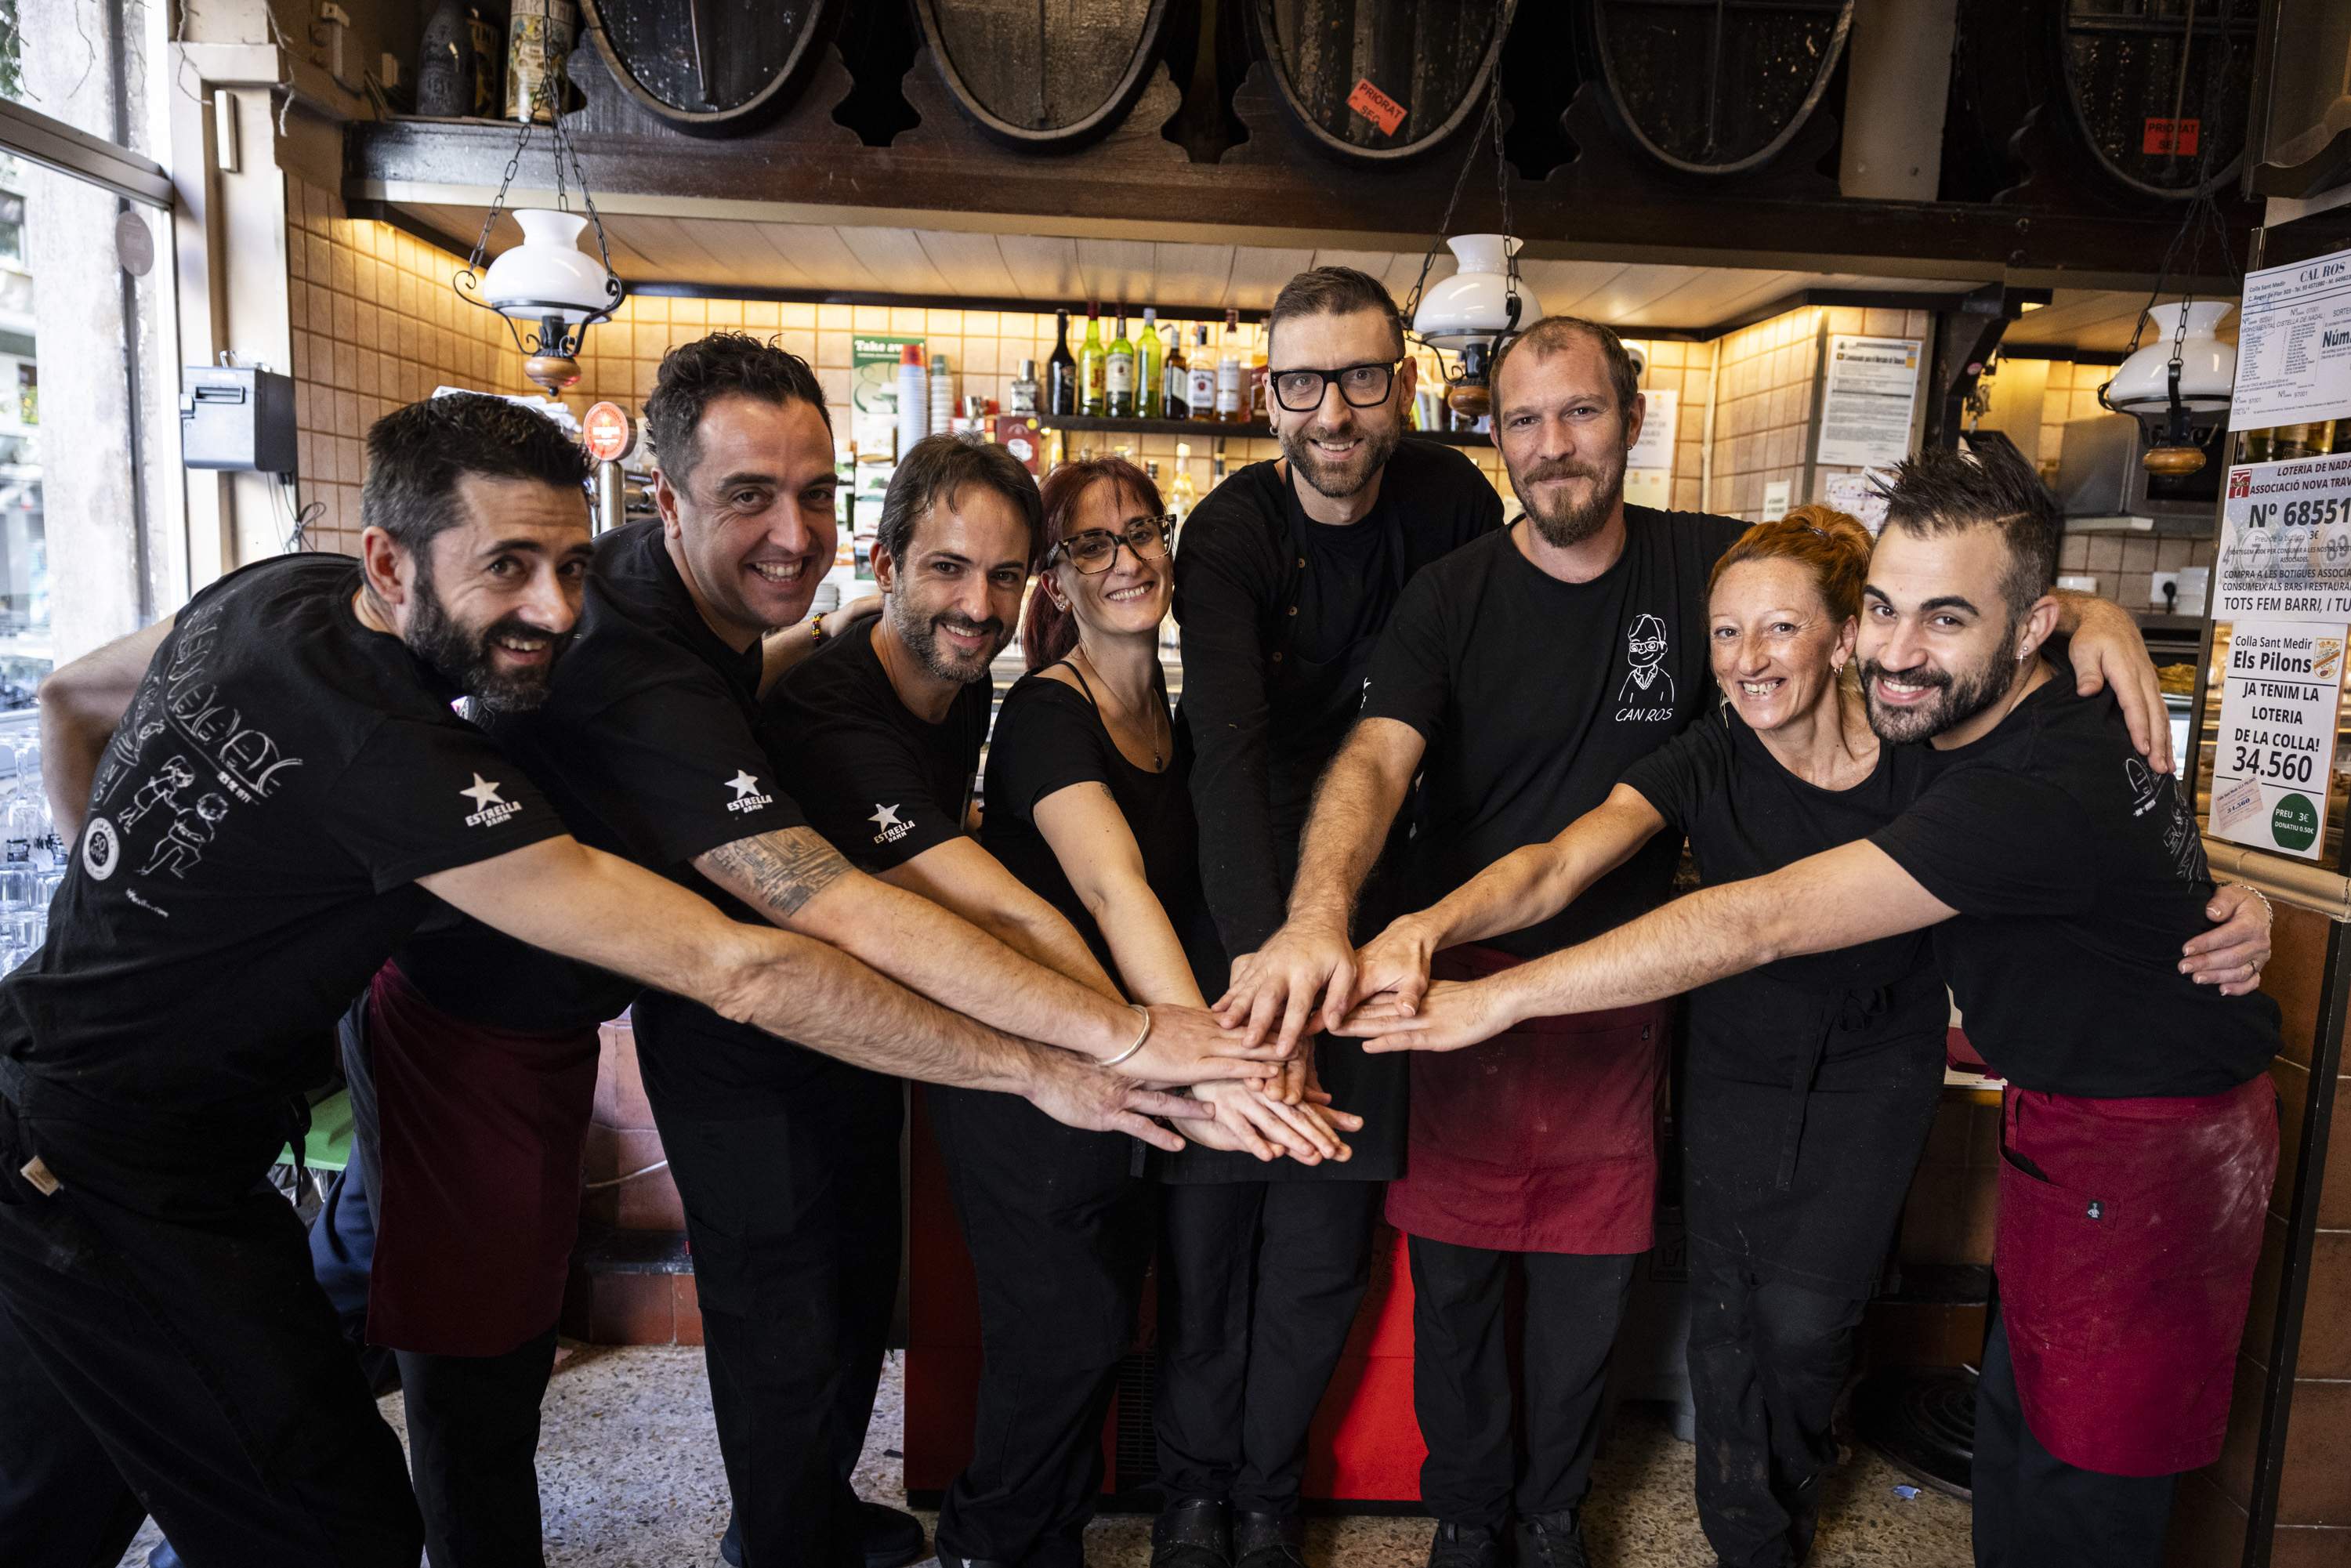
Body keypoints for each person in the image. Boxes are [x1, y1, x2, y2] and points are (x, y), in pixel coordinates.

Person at [0, 393, 1214, 1568]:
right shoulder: (409, 757)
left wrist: (113, 916)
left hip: (101, 1098)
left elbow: (75, 698)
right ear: (387, 559)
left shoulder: (272, 592)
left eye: (572, 565)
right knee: (342, 1515)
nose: (554, 606)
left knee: (67, 1492)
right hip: (110, 1157)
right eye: (508, 569)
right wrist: (1075, 1062)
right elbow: (747, 959)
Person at [1218, 317, 2255, 1568]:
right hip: (1975, 1100)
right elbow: (1548, 853)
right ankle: (1669, 1531)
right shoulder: (1715, 714)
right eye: (1885, 613)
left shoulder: (1941, 741)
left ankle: (1688, 1521)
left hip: (2117, 1126)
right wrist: (1418, 927)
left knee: (1878, 1362)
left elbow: (1755, 912)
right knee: (1909, 1398)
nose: (1762, 655)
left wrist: (2085, 612)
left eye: (1581, 413)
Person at [472, 339, 1274, 1568]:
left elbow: (812, 682)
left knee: (847, 1287)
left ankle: (812, 1514)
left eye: (1004, 577)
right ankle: (795, 1541)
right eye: (947, 569)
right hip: (706, 1020)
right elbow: (986, 911)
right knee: (780, 1301)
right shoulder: (778, 693)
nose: (976, 603)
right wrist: (1141, 1039)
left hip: (843, 1022)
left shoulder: (837, 652)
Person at [915, 453, 1363, 1568]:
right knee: (1056, 1337)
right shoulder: (1047, 718)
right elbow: (1117, 892)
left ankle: (1041, 1541)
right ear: (1053, 583)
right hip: (1037, 1074)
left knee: (1096, 1326)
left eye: (1143, 532)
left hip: (1118, 1068)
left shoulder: (1167, 708)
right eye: (1092, 544)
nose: (1128, 560)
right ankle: (989, 1544)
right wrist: (1222, 1068)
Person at [1157, 266, 1502, 1568]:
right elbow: (1228, 752)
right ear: (1268, 398)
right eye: (1303, 384)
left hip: (1381, 916)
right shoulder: (1231, 530)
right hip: (1240, 915)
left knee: (1316, 1246)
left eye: (1362, 377)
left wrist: (1340, 957)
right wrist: (1268, 976)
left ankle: (1263, 1495)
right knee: (1208, 1226)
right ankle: (1191, 1491)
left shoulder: (1456, 500)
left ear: (1401, 381)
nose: (1334, 412)